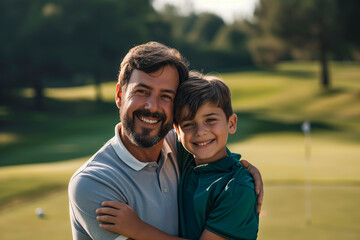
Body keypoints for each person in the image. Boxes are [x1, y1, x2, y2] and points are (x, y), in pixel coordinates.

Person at [68, 42, 263, 240]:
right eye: (142, 91)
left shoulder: (181, 149)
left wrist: (242, 172)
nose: (152, 106)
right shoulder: (92, 183)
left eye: (166, 96)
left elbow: (215, 157)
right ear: (119, 95)